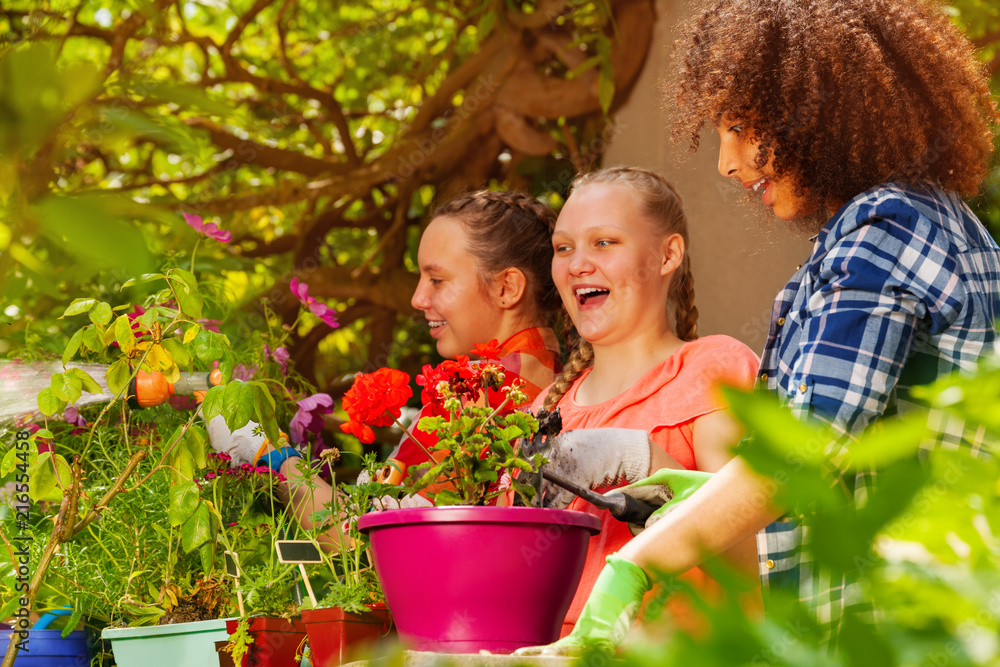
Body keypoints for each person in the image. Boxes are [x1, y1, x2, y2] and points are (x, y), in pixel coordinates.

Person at [516, 0, 1000, 655]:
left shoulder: (884, 233)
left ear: (821, 107)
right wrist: (703, 492)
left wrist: (629, 570)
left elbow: (795, 460)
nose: (727, 161)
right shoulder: (906, 227)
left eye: (741, 125)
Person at [208, 190, 562, 548]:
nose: (418, 298)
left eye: (437, 280)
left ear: (507, 287)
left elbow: (371, 541)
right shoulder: (550, 375)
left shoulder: (485, 392)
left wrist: (272, 458)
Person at [527, 167, 761, 637]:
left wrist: (645, 462)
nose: (577, 265)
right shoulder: (541, 409)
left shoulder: (712, 371)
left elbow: (757, 571)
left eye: (604, 242)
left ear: (667, 255)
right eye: (563, 248)